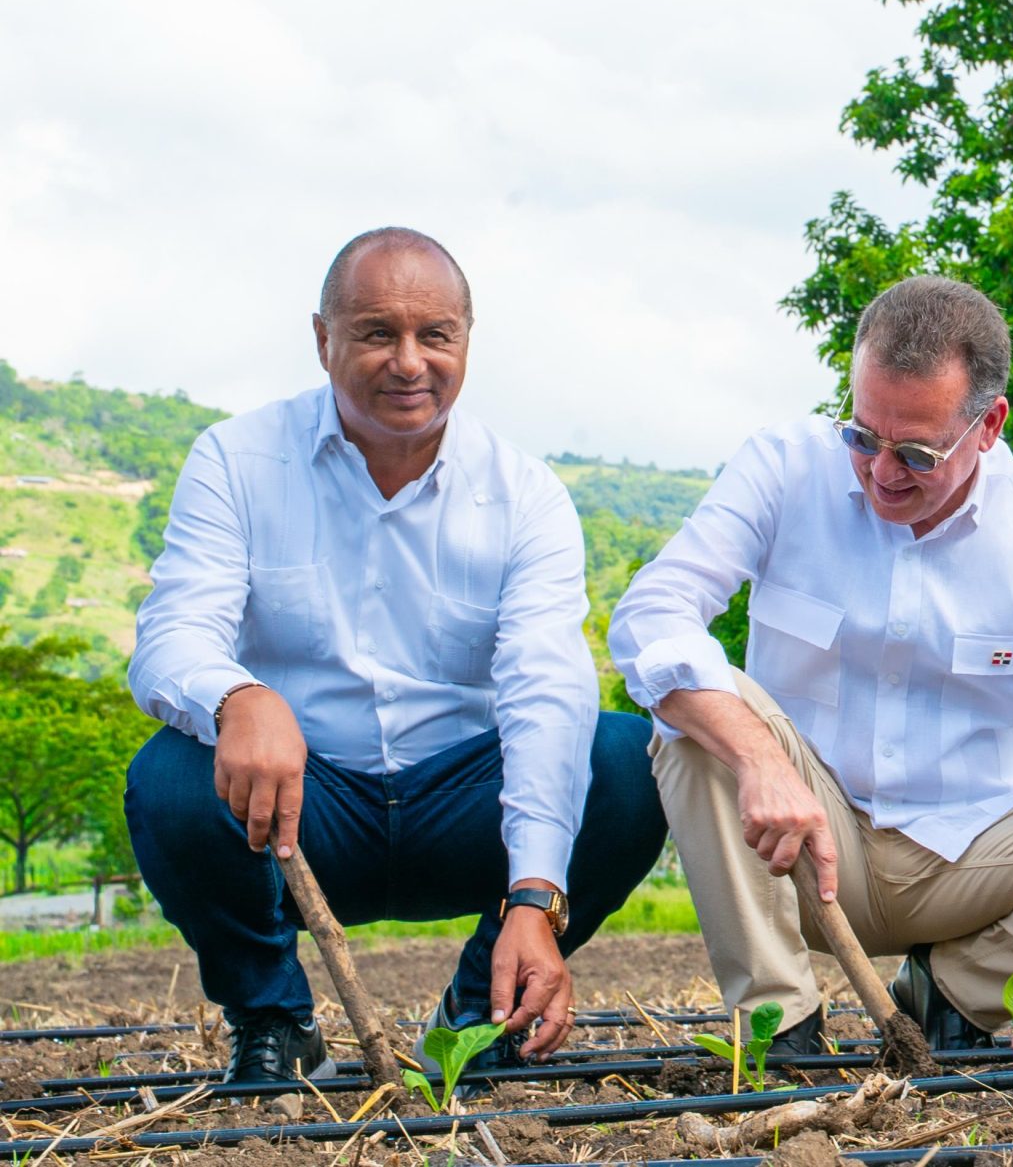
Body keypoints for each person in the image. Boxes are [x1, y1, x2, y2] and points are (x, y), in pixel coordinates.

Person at [610, 276, 1013, 1054]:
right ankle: (778, 1024)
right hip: (805, 843)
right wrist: (758, 756)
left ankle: (956, 991)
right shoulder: (784, 466)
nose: (882, 471)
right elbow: (651, 617)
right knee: (700, 709)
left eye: (918, 452)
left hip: (973, 852)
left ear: (989, 425)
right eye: (862, 436)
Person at [125, 228, 667, 1083]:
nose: (408, 361)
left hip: (462, 804)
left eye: (435, 335)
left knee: (626, 762)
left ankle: (477, 1018)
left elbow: (543, 696)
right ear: (323, 339)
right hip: (304, 808)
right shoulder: (235, 460)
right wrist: (238, 696)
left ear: (466, 340)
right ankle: (273, 1021)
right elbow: (170, 638)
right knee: (169, 780)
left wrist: (535, 897)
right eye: (377, 332)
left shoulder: (524, 494)